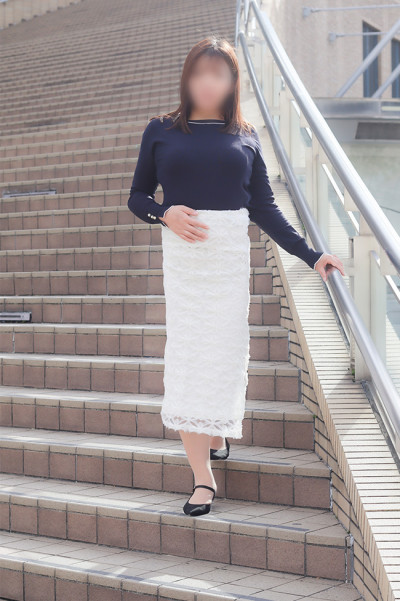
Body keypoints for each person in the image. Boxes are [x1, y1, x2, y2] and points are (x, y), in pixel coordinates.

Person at [127, 36, 345, 517]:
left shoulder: (245, 134)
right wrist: (164, 214)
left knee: (224, 356)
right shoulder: (161, 129)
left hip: (227, 263)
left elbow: (263, 207)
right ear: (187, 78)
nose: (207, 83)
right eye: (199, 73)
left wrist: (311, 256)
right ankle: (202, 477)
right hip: (186, 265)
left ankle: (217, 427)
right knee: (189, 359)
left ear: (232, 83)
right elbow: (137, 196)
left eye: (218, 74)